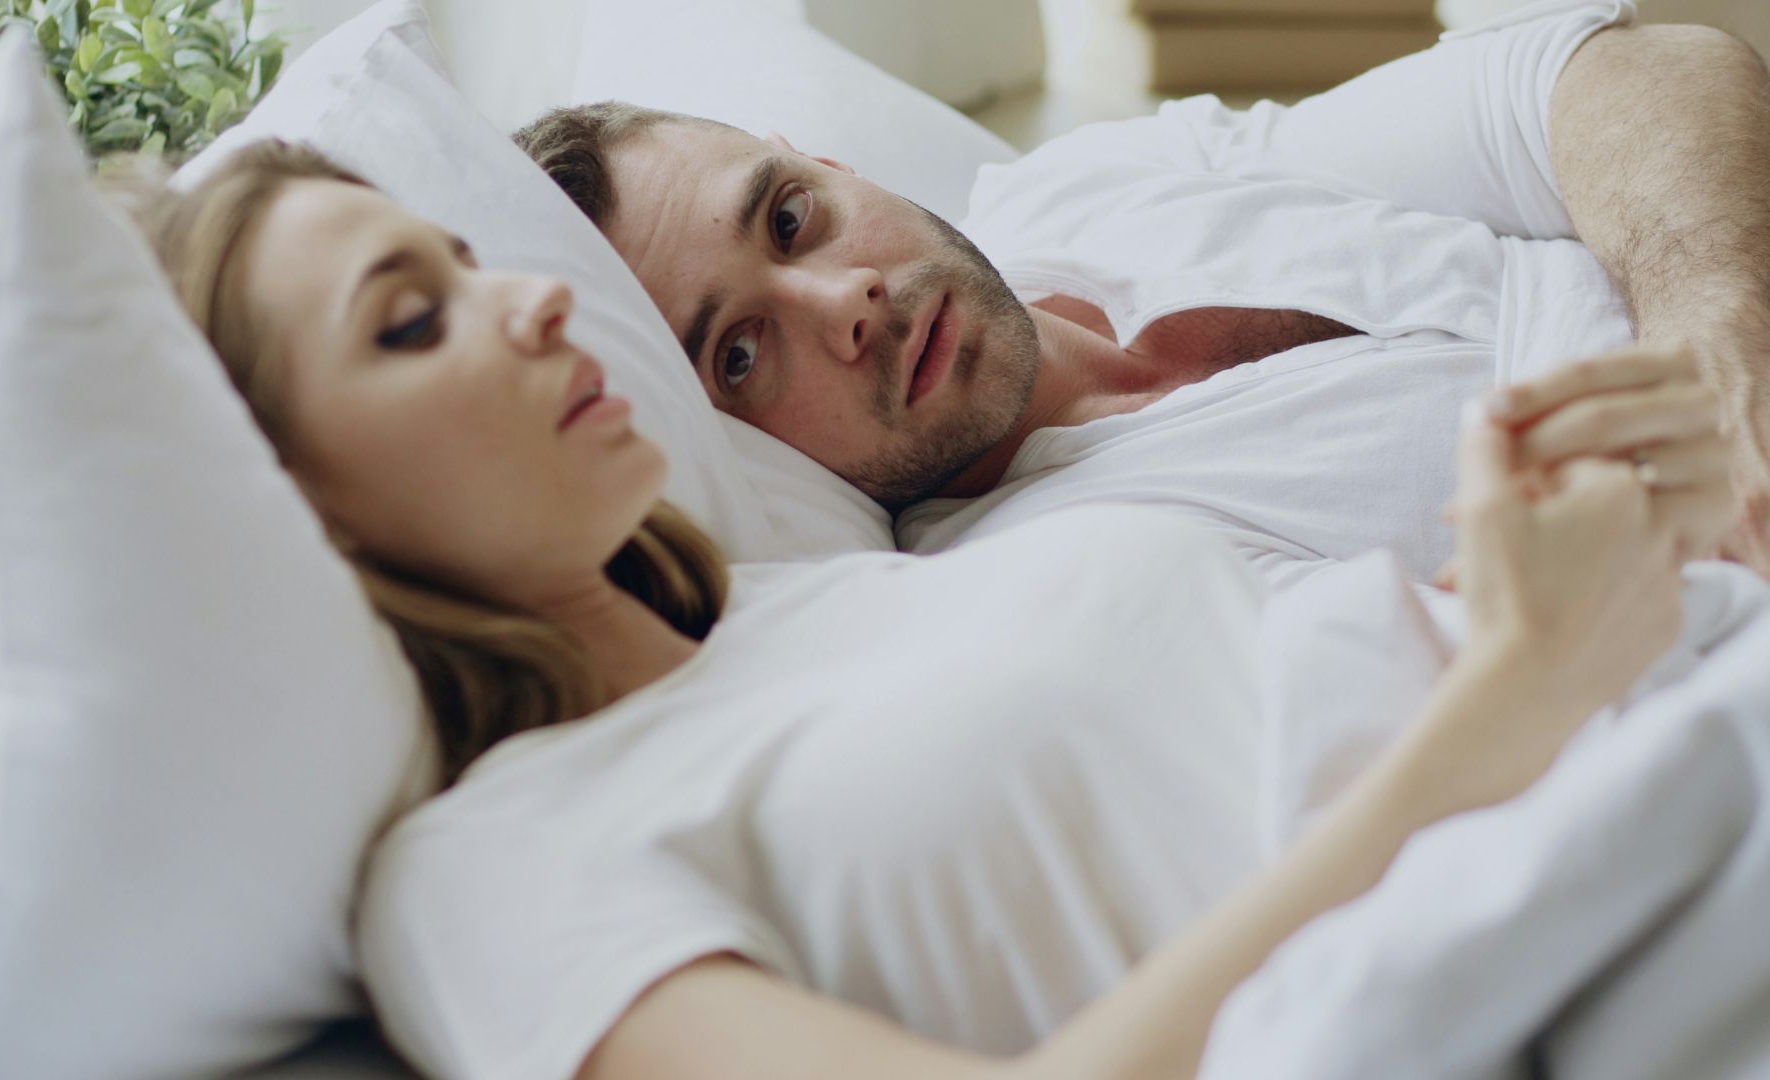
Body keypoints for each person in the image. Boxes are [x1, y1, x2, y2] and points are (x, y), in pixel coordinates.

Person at [127, 139, 1743, 1080]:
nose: (539, 299)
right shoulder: (486, 869)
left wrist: (1554, 555)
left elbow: (1243, 732)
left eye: (466, 263)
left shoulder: (838, 592)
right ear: (285, 506)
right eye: (412, 322)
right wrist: (1503, 702)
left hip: (1656, 722)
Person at [514, 2, 1770, 588]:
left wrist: (1718, 331)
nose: (840, 301)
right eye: (739, 355)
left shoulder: (1098, 181)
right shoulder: (1066, 580)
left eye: (790, 218)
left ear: (837, 168)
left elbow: (1628, 72)